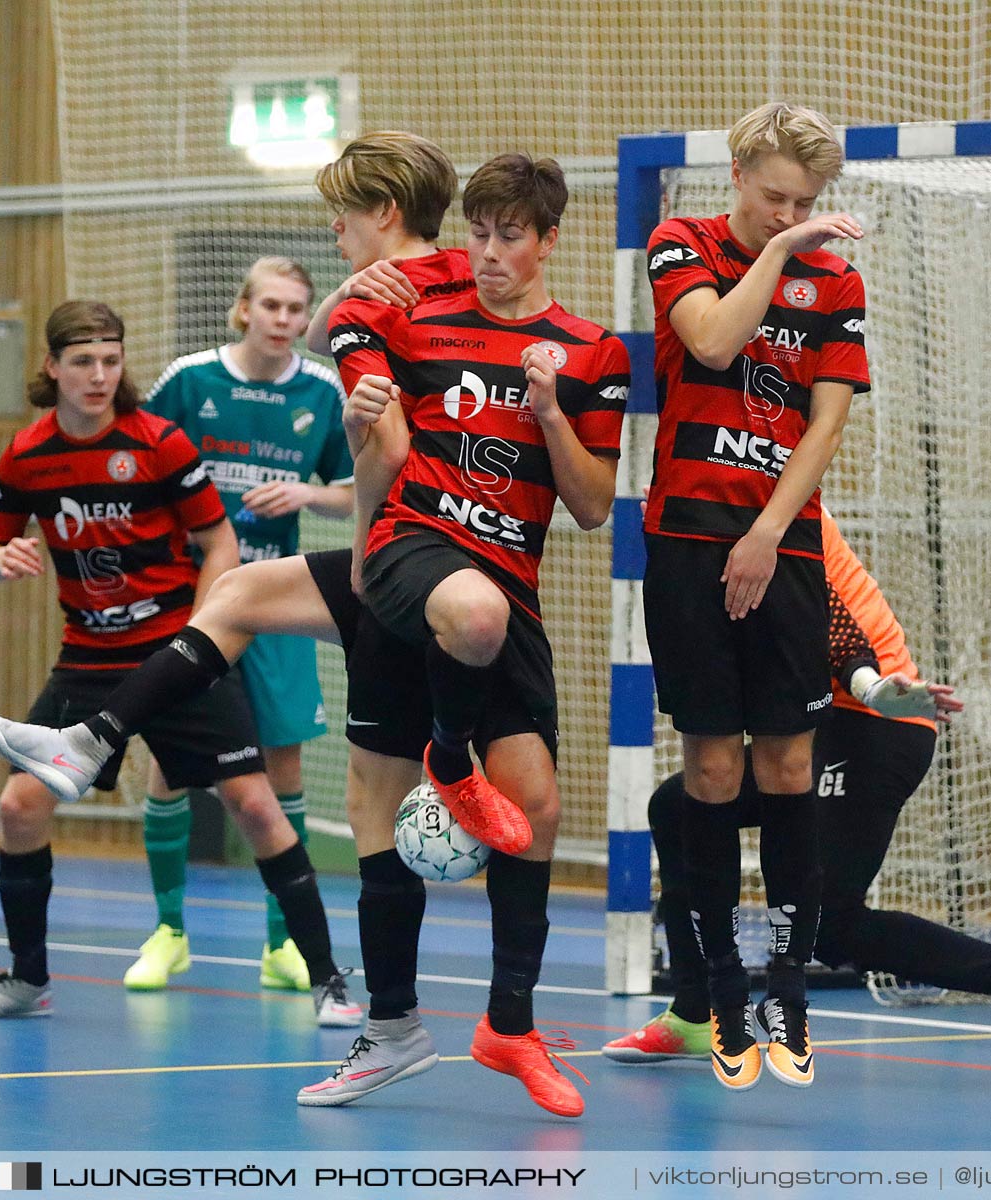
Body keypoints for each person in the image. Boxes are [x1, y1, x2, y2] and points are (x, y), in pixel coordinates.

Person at [296, 152, 629, 1119]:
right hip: (410, 556)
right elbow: (353, 351)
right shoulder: (410, 311)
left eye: (508, 237)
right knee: (387, 788)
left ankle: (505, 1027)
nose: (485, 254)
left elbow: (595, 507)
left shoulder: (591, 352)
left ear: (549, 240)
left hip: (506, 581)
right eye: (475, 234)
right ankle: (450, 767)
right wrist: (359, 387)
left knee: (538, 809)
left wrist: (550, 415)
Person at [0, 300, 361, 1029]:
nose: (100, 375)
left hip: (173, 654)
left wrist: (196, 647)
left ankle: (330, 979)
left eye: (111, 360)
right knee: (19, 808)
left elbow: (222, 546)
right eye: (83, 362)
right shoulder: (27, 455)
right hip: (87, 658)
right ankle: (26, 978)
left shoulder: (158, 441)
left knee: (257, 806)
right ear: (52, 367)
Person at [603, 510, 991, 1084]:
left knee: (831, 924)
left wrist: (872, 686)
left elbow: (830, 619)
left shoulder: (772, 502)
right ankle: (694, 1011)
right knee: (676, 805)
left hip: (876, 722)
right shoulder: (714, 492)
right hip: (828, 718)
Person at [641, 101, 868, 1089]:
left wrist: (772, 534)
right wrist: (781, 254)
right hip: (688, 540)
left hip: (783, 548)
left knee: (786, 763)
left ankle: (788, 978)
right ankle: (721, 981)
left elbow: (823, 425)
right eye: (775, 197)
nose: (789, 214)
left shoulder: (840, 279)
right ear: (738, 172)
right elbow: (719, 343)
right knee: (710, 769)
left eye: (806, 204)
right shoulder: (678, 244)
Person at [124, 257, 354, 994]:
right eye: (273, 307)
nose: (286, 320)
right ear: (243, 310)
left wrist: (312, 496)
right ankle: (168, 932)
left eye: (298, 309)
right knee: (170, 765)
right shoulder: (191, 381)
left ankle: (281, 945)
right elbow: (137, 461)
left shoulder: (323, 392)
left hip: (279, 602)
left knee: (282, 771)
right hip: (199, 601)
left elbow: (357, 494)